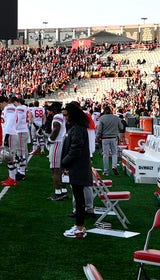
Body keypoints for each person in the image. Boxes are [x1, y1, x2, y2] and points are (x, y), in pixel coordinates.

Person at [60, 102, 92, 239]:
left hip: (78, 167)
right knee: (79, 198)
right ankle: (79, 225)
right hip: (77, 167)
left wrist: (64, 162)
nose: (66, 118)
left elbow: (75, 150)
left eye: (67, 115)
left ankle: (80, 228)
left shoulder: (78, 128)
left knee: (79, 199)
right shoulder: (77, 127)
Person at [46, 102, 68, 201]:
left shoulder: (57, 117)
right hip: (62, 142)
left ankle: (58, 192)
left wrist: (50, 140)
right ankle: (63, 191)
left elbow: (56, 129)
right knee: (60, 169)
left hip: (57, 143)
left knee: (55, 169)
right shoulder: (62, 116)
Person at [0, 96, 20, 187]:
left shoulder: (9, 107)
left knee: (9, 156)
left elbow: (10, 121)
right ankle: (11, 177)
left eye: (0, 104)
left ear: (4, 102)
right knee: (10, 157)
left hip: (10, 134)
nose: (0, 106)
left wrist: (7, 136)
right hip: (10, 133)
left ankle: (12, 179)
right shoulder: (9, 108)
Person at [96, 105, 122, 176]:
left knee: (105, 155)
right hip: (114, 138)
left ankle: (106, 171)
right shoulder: (116, 118)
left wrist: (97, 137)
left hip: (105, 138)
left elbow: (99, 130)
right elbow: (121, 127)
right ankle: (114, 166)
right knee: (114, 153)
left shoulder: (102, 118)